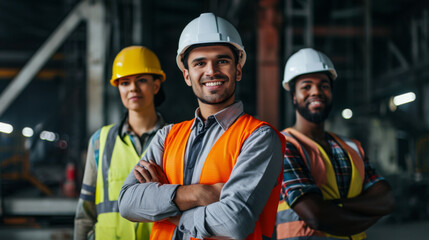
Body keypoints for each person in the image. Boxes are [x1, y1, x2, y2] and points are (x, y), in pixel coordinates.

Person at [118, 13, 286, 240]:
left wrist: (164, 207)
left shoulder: (259, 137)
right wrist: (201, 193)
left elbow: (235, 222)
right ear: (187, 75)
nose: (211, 71)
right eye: (200, 63)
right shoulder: (166, 136)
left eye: (222, 61)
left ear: (237, 70)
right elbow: (128, 202)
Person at [276, 48, 395, 239]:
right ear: (293, 96)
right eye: (306, 86)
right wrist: (368, 210)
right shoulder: (282, 146)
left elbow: (387, 199)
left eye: (323, 85)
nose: (316, 91)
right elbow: (316, 216)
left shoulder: (353, 147)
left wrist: (335, 207)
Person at [74, 46, 167, 240]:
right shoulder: (100, 141)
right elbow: (85, 211)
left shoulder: (175, 138)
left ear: (156, 86)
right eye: (125, 82)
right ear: (118, 88)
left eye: (141, 80)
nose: (133, 88)